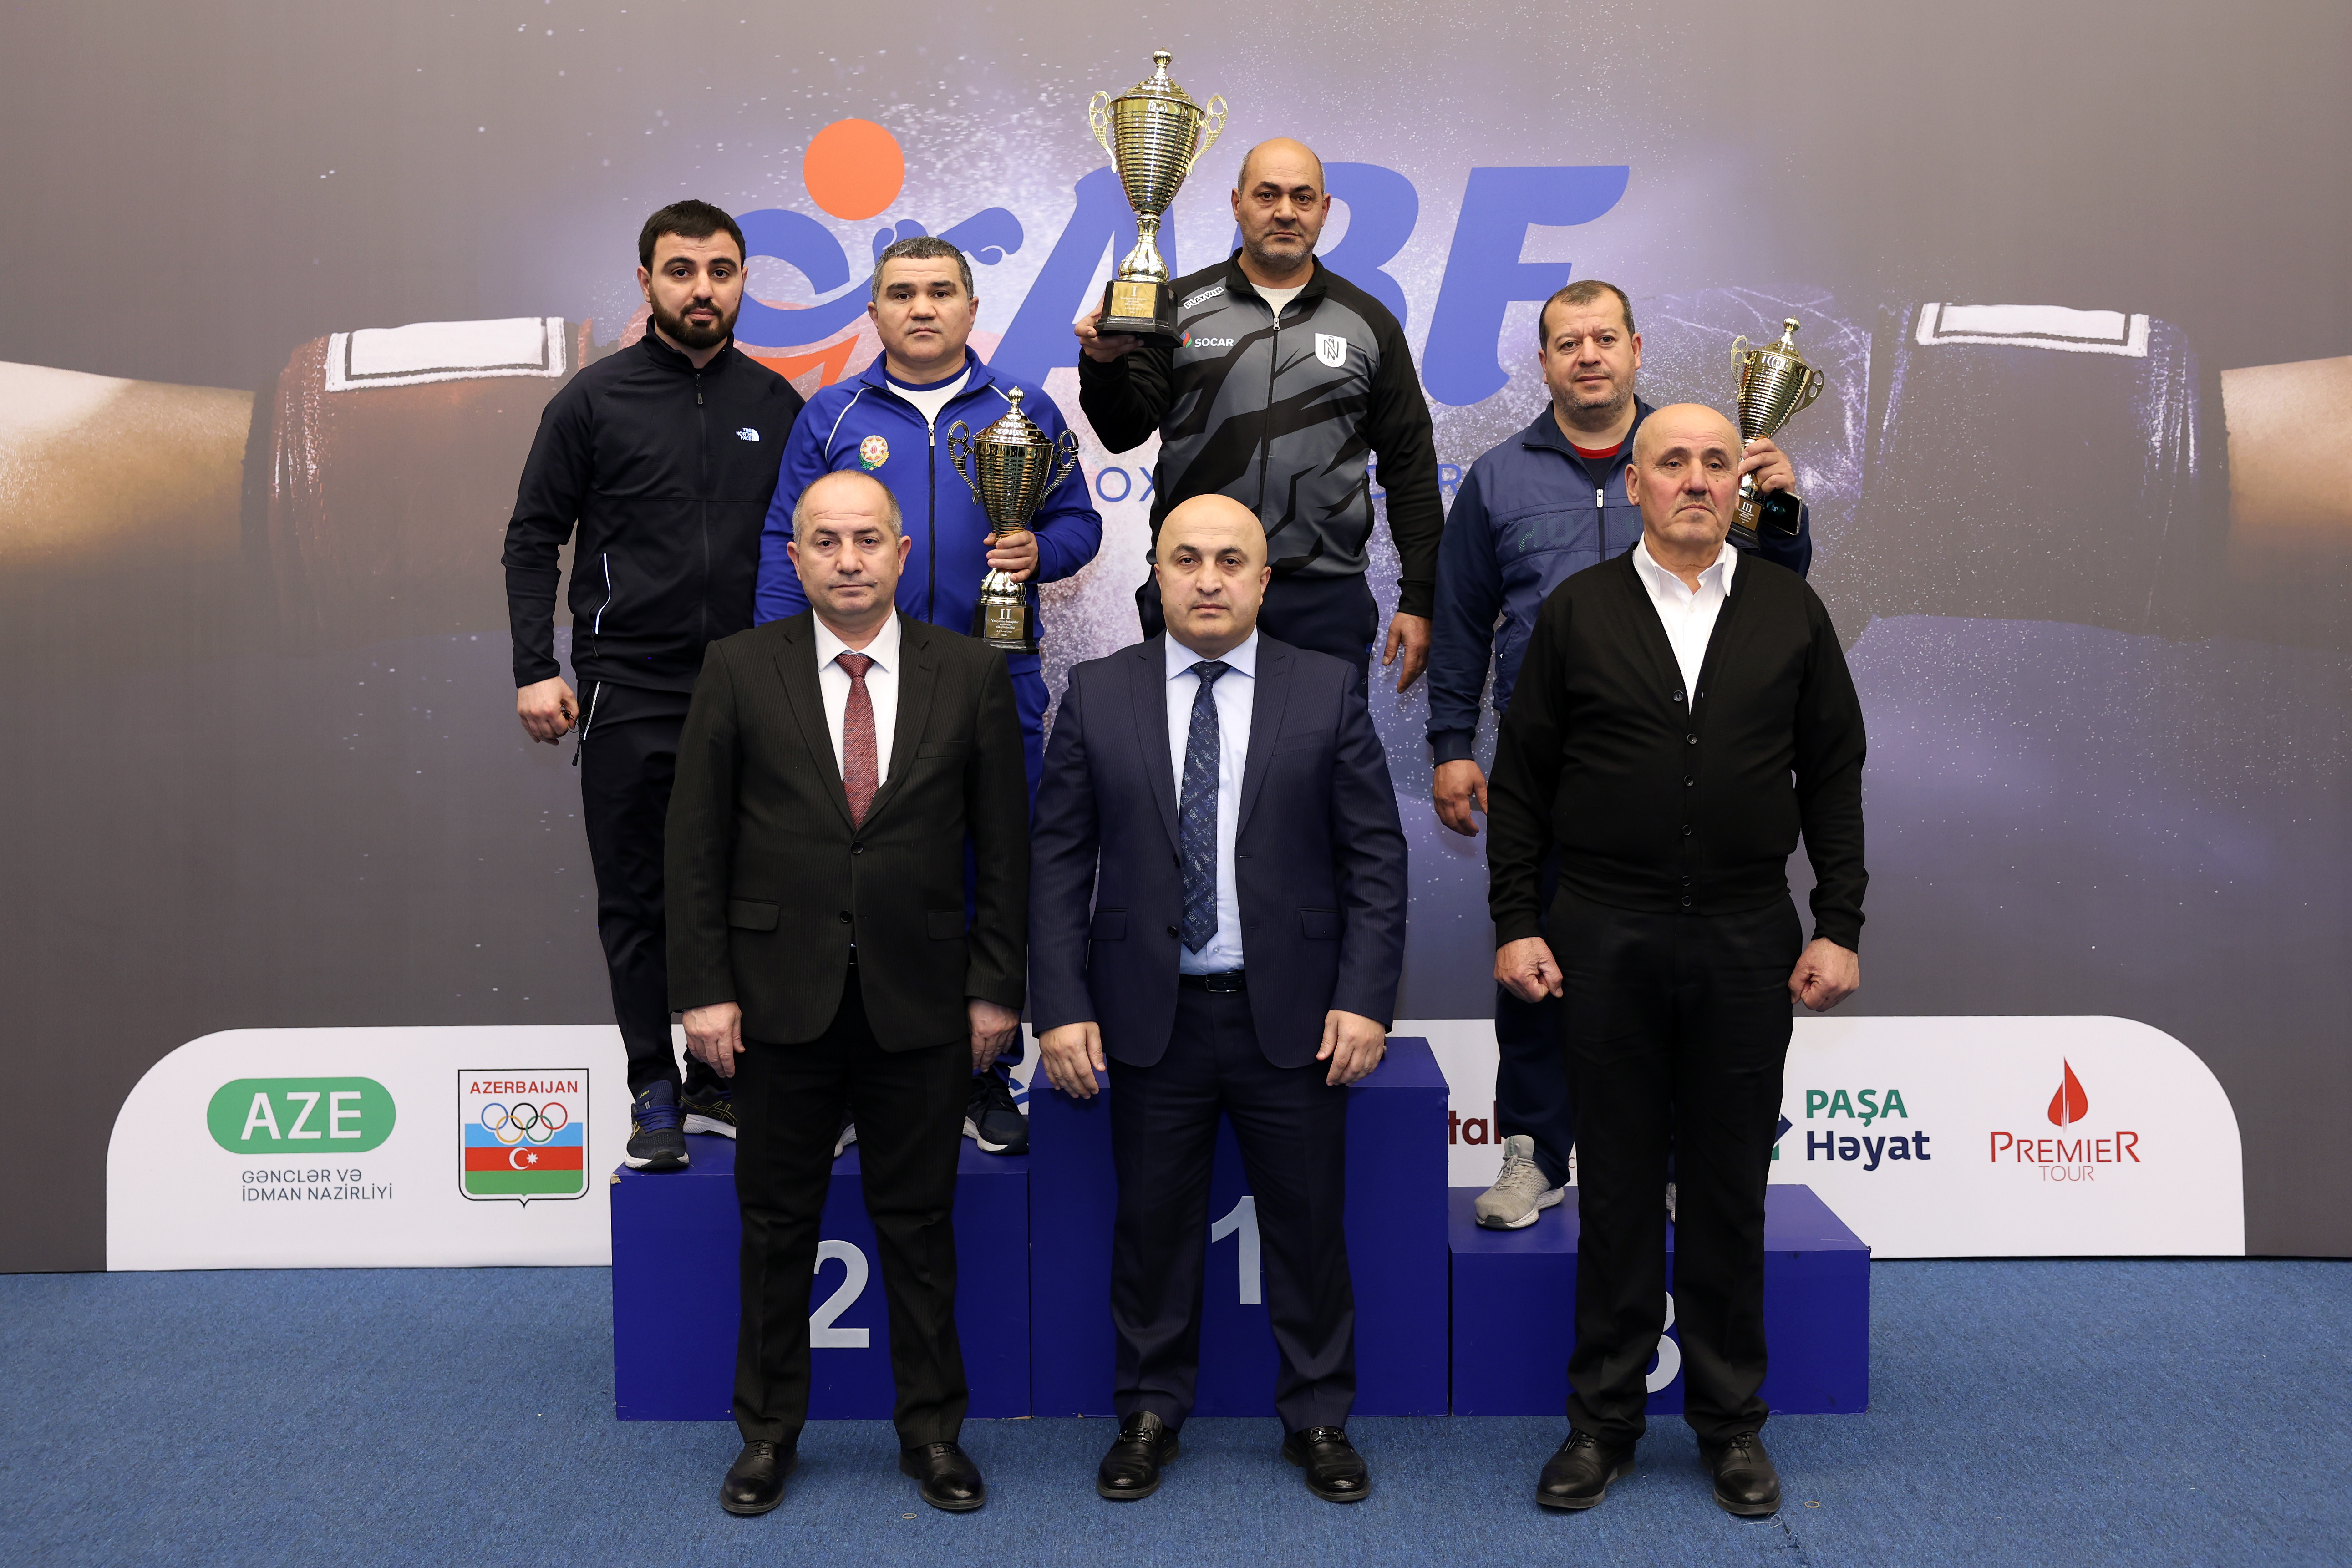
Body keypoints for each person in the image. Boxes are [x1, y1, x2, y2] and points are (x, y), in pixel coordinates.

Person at [1484, 404, 1866, 1517]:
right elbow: (1524, 782)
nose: (1695, 480)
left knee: (1725, 1192)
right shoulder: (1578, 610)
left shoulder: (1791, 610)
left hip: (1748, 935)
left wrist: (1839, 923)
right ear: (1637, 484)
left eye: (1714, 462)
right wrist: (1517, 920)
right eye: (1672, 462)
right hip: (1605, 929)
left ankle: (1729, 1424)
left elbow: (1833, 774)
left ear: (1739, 483)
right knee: (1611, 1189)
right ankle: (1601, 1423)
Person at [1030, 493, 1409, 1506]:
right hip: (1147, 1019)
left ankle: (1319, 1417)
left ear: (1264, 580)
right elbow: (1058, 861)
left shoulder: (1324, 688)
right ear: (1155, 574)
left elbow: (1375, 859)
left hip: (1294, 1019)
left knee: (1308, 1230)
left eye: (1230, 561)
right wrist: (1058, 1004)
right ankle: (1148, 1412)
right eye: (1187, 559)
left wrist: (1367, 998)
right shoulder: (1098, 691)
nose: (1208, 579)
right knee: (1151, 1232)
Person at [666, 469, 1029, 1517]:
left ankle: (934, 1435)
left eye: (868, 538)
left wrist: (996, 989)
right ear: (796, 559)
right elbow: (693, 844)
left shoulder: (970, 673)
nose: (848, 559)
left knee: (919, 1224)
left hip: (924, 1001)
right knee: (776, 1224)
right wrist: (704, 992)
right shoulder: (739, 669)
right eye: (825, 541)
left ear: (902, 554)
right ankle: (766, 1435)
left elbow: (1005, 850)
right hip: (776, 1002)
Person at [1426, 280, 1810, 1230]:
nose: (1588, 355)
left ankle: (1680, 1158)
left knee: (1678, 972)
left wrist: (1779, 509)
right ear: (1544, 363)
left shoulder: (1699, 458)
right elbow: (1462, 621)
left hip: (1681, 771)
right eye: (1568, 343)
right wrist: (1452, 745)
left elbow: (1777, 595)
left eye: (1604, 338)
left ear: (1637, 349)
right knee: (1533, 961)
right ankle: (1534, 1151)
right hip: (1546, 771)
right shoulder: (1497, 479)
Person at [761, 233, 1103, 1158]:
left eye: (941, 291)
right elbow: (783, 544)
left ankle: (987, 1073)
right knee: (860, 878)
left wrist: (1041, 550)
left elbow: (1080, 523)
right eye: (902, 292)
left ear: (970, 309)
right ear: (873, 311)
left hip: (997, 680)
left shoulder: (1025, 411)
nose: (921, 307)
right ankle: (854, 1075)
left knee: (997, 871)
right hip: (864, 690)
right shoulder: (832, 414)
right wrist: (780, 673)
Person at [502, 201, 805, 1172]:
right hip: (627, 689)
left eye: (721, 271)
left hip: (754, 692)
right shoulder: (592, 402)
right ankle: (655, 1085)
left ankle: (724, 1078)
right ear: (646, 283)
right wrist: (534, 667)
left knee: (754, 896)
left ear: (744, 280)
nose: (701, 290)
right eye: (681, 271)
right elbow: (532, 539)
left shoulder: (779, 404)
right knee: (637, 898)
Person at [1075, 138, 1444, 693]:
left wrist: (1420, 598)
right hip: (1197, 590)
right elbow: (1122, 431)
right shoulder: (1175, 307)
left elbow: (1410, 470)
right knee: (1185, 747)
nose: (1285, 212)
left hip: (1324, 599)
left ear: (1324, 209)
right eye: (1267, 195)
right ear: (1237, 203)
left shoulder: (1369, 323)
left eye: (1302, 197)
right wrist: (1103, 365)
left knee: (1319, 750)